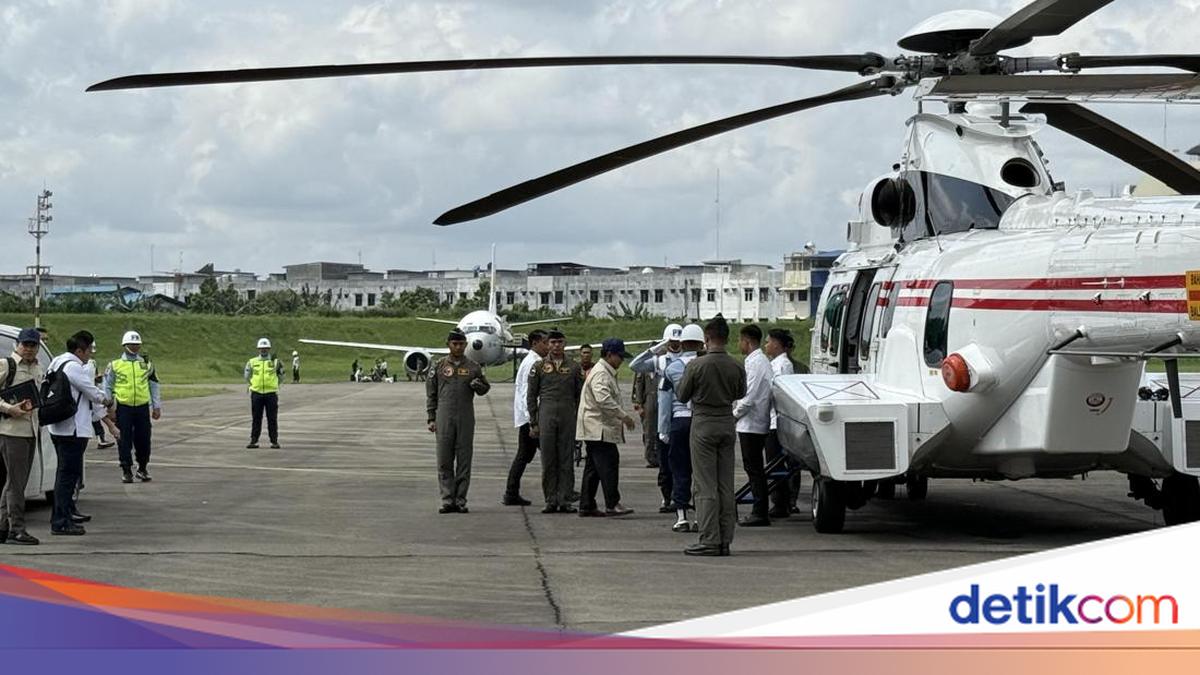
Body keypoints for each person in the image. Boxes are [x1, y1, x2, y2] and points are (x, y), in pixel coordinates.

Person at [677, 316, 746, 556]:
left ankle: (709, 538)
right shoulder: (737, 365)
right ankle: (725, 538)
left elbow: (682, 395)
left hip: (704, 423)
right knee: (725, 485)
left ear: (706, 339)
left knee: (705, 485)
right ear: (726, 338)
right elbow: (741, 392)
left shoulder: (696, 366)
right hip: (727, 422)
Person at [46, 331, 109, 536]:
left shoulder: (56, 362)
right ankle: (60, 521)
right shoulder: (74, 366)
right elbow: (92, 392)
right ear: (80, 350)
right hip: (72, 428)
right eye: (89, 350)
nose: (90, 354)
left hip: (59, 427)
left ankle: (67, 511)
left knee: (65, 473)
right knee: (67, 475)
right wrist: (108, 400)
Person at [427, 330, 490, 513]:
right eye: (455, 344)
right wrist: (431, 417)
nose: (458, 347)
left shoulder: (473, 366)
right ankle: (447, 499)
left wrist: (479, 386)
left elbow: (485, 388)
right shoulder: (438, 366)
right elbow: (431, 393)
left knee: (464, 458)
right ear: (448, 345)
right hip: (444, 414)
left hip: (465, 415)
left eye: (461, 344)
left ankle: (461, 499)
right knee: (444, 459)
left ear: (465, 345)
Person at [575, 338, 637, 518]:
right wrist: (624, 416)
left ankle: (586, 504)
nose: (621, 361)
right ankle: (612, 503)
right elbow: (603, 400)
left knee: (593, 468)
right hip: (598, 427)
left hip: (596, 427)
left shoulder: (604, 371)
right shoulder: (601, 373)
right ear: (609, 355)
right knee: (609, 464)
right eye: (619, 357)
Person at [527, 328, 583, 514]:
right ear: (548, 344)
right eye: (552, 342)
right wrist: (533, 422)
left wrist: (579, 420)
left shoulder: (574, 367)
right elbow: (531, 395)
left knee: (566, 459)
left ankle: (565, 499)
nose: (556, 346)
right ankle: (550, 499)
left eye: (560, 342)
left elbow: (579, 396)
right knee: (548, 459)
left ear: (564, 343)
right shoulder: (539, 367)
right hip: (546, 414)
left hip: (567, 415)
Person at [630, 323, 683, 513]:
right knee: (663, 460)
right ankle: (666, 497)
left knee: (681, 460)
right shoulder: (659, 361)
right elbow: (634, 365)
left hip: (680, 414)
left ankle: (681, 496)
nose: (675, 345)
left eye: (678, 341)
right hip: (662, 416)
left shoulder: (688, 359)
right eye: (671, 341)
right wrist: (654, 349)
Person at [0, 328, 46, 545]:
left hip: (31, 430)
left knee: (14, 482)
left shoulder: (38, 367)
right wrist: (9, 409)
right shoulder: (6, 365)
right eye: (25, 344)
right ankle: (17, 529)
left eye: (32, 345)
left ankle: (3, 527)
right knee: (17, 484)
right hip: (12, 432)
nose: (28, 349)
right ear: (17, 344)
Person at [103, 331, 162, 483]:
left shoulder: (146, 364)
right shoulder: (115, 365)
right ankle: (126, 469)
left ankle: (142, 467)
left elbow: (154, 385)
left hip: (142, 407)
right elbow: (107, 386)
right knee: (124, 439)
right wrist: (109, 407)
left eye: (137, 345)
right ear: (125, 346)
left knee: (144, 439)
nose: (135, 347)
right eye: (131, 345)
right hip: (123, 407)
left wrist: (156, 406)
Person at [663, 324, 704, 532]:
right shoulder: (706, 364)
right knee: (701, 472)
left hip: (679, 421)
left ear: (682, 343)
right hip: (701, 421)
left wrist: (663, 429)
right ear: (700, 343)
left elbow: (665, 401)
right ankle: (700, 517)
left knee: (680, 469)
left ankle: (681, 517)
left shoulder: (672, 368)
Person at [732, 325, 773, 527]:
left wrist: (734, 416)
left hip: (752, 424)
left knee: (755, 469)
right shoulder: (756, 361)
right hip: (751, 422)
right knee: (753, 468)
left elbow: (749, 397)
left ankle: (760, 511)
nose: (739, 344)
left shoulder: (757, 363)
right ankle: (759, 509)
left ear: (747, 341)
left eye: (740, 340)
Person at [504, 329, 548, 506]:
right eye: (545, 343)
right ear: (535, 343)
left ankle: (511, 492)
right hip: (531, 420)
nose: (548, 346)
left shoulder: (532, 361)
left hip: (528, 418)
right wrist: (533, 421)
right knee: (550, 454)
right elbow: (527, 394)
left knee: (524, 455)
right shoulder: (533, 363)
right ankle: (560, 489)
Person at [765, 329, 796, 518]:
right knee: (773, 464)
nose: (766, 345)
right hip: (772, 419)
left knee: (776, 464)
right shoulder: (776, 364)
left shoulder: (783, 365)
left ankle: (780, 502)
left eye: (768, 341)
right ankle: (780, 501)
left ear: (777, 344)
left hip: (777, 421)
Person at [245, 338, 283, 449]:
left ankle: (274, 441)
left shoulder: (276, 362)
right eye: (262, 349)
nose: (263, 351)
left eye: (265, 348)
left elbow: (281, 376)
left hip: (271, 394)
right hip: (256, 393)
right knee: (256, 418)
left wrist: (275, 385)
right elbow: (247, 376)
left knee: (272, 418)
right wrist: (253, 385)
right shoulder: (252, 362)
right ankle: (253, 440)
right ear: (258, 349)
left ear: (269, 349)